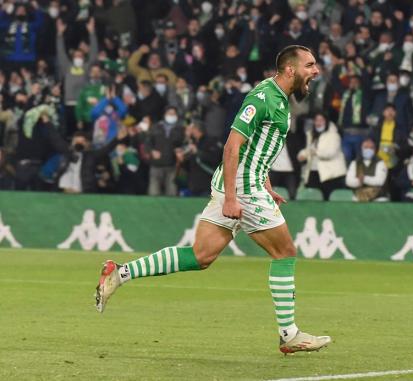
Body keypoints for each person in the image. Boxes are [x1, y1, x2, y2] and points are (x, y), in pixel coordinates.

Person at [94, 45, 331, 354]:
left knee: (201, 257)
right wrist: (233, 197)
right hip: (241, 188)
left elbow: (258, 147)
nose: (315, 70)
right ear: (290, 69)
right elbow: (233, 146)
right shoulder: (262, 99)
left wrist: (267, 183)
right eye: (310, 65)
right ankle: (289, 334)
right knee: (284, 253)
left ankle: (120, 272)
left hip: (244, 183)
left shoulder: (276, 95)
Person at [297, 113, 347, 200]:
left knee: (328, 200)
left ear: (326, 121)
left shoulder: (333, 135)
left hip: (330, 175)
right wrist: (302, 155)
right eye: (316, 120)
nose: (318, 123)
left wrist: (315, 152)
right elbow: (308, 149)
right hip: (313, 172)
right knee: (313, 198)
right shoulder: (312, 135)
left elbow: (330, 153)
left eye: (321, 120)